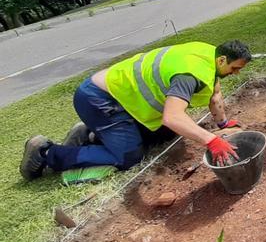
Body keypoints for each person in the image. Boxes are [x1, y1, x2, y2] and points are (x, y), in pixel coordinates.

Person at [20, 40, 252, 180]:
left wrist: (223, 124)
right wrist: (212, 140)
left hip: (121, 97)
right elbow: (172, 116)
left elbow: (215, 93)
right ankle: (47, 154)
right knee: (128, 158)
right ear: (222, 60)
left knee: (166, 133)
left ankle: (90, 135)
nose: (236, 73)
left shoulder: (209, 55)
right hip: (100, 99)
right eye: (235, 68)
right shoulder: (190, 75)